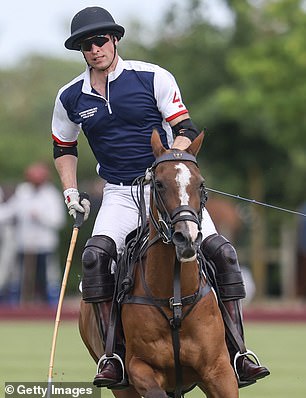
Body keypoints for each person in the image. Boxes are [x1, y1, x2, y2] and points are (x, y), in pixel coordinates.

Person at [52, 6, 270, 390]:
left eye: (100, 40)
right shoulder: (70, 96)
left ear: (114, 40)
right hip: (119, 193)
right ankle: (111, 357)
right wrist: (71, 191)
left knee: (222, 252)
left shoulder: (152, 77)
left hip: (167, 187)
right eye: (86, 45)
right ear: (81, 50)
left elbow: (183, 127)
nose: (95, 49)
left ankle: (239, 351)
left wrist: (169, 164)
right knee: (95, 257)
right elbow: (64, 147)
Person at [0, 162, 66, 305]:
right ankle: (18, 308)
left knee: (47, 277)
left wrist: (40, 216)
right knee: (20, 277)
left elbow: (58, 220)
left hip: (44, 245)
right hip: (24, 244)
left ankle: (49, 307)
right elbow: (11, 210)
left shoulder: (51, 194)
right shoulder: (23, 191)